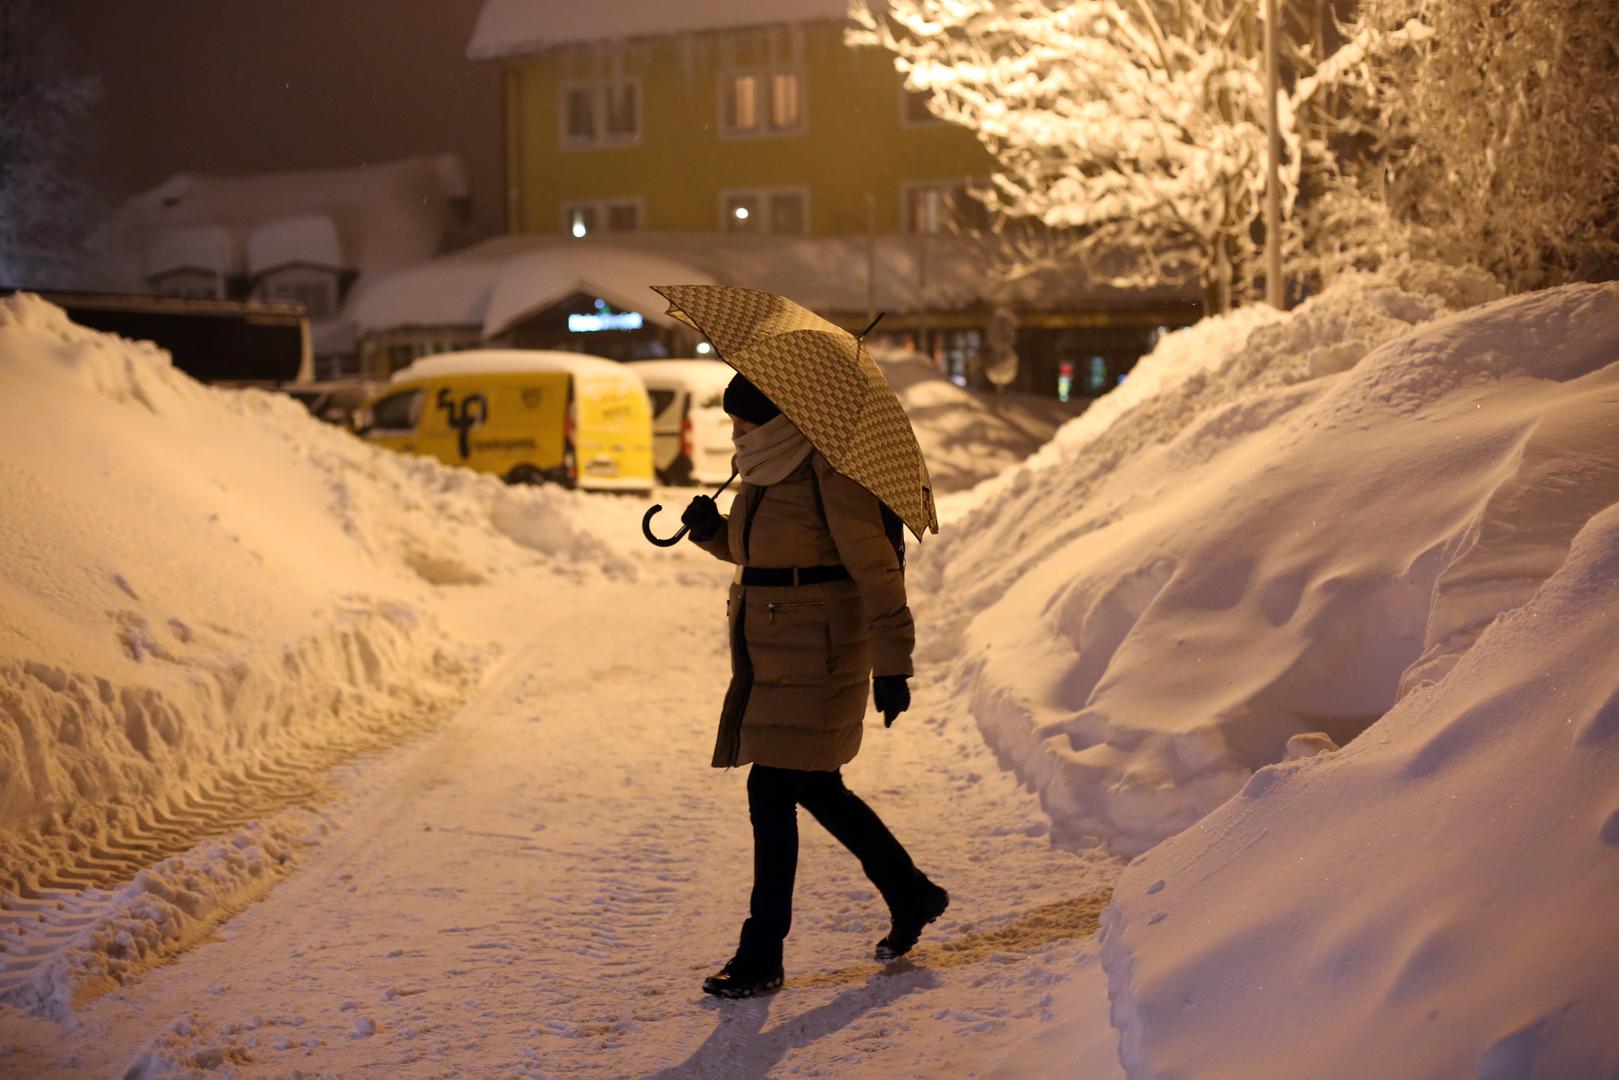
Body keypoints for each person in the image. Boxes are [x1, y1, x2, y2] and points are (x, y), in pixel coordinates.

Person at [679, 372, 949, 1000]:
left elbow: (877, 571)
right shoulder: (763, 467)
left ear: (775, 419)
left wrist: (893, 665)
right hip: (777, 654)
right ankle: (912, 893)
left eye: (743, 420)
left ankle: (761, 953)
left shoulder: (830, 470)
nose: (735, 431)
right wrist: (712, 531)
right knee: (817, 786)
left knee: (771, 788)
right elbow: (764, 551)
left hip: (823, 654)